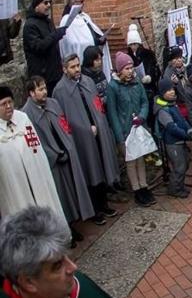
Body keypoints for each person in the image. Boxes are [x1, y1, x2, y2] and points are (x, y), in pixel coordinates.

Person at [21, 77, 94, 242]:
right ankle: (64, 228)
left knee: (72, 191)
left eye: (45, 87)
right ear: (31, 93)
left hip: (66, 153)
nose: (44, 91)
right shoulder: (26, 114)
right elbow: (35, 141)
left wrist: (68, 147)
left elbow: (63, 125)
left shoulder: (53, 104)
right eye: (40, 89)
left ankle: (74, 223)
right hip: (51, 161)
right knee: (60, 196)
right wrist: (54, 154)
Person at [52, 54, 119, 226]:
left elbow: (96, 104)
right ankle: (94, 209)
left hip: (97, 132)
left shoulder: (88, 81)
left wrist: (99, 123)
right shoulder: (60, 90)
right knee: (89, 170)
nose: (77, 69)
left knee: (101, 165)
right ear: (64, 69)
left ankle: (104, 204)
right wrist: (83, 129)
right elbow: (63, 118)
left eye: (78, 65)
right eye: (72, 67)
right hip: (80, 139)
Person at [0, 206, 113, 298]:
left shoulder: (82, 288)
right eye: (57, 266)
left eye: (66, 256)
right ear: (28, 282)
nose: (73, 267)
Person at [0, 86, 65, 224]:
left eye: (10, 102)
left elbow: (35, 149)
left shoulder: (22, 118)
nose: (8, 106)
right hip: (14, 185)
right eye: (3, 104)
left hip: (35, 176)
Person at [105, 52, 155, 207]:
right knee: (131, 160)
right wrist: (120, 135)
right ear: (120, 70)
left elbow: (144, 102)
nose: (130, 71)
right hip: (125, 130)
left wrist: (142, 116)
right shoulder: (113, 87)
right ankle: (136, 189)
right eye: (126, 68)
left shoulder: (137, 82)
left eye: (131, 67)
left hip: (138, 126)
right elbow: (112, 112)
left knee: (140, 158)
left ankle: (144, 186)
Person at [59, 0, 113, 81]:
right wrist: (85, 44)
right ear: (71, 3)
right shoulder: (66, 20)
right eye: (77, 2)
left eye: (82, 1)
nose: (81, 4)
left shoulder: (84, 17)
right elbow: (69, 42)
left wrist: (100, 40)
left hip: (93, 59)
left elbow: (93, 33)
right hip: (81, 62)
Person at [154, 79, 192, 198]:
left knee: (185, 162)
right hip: (173, 143)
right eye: (168, 90)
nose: (171, 92)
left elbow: (181, 118)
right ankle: (174, 189)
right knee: (179, 166)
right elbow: (171, 127)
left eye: (172, 89)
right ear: (162, 92)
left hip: (180, 140)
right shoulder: (163, 110)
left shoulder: (172, 103)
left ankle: (179, 185)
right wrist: (185, 134)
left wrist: (189, 129)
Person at [22, 0, 67, 93]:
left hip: (55, 73)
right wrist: (56, 35)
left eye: (50, 2)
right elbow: (38, 46)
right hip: (43, 77)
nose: (49, 5)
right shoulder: (30, 25)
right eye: (45, 3)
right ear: (37, 5)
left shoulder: (48, 21)